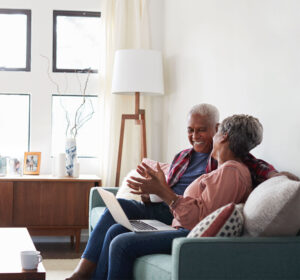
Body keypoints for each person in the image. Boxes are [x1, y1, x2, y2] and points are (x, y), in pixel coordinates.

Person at [66, 104, 283, 280]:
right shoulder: (201, 161)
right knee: (115, 230)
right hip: (176, 218)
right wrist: (151, 190)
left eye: (206, 131)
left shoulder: (231, 171)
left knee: (121, 242)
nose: (196, 135)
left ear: (222, 134)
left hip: (186, 229)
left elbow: (199, 217)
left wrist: (277, 177)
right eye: (191, 130)